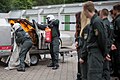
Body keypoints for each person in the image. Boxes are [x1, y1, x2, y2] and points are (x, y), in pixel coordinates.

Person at [83, 1, 110, 80]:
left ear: (87, 10)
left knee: (94, 76)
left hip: (96, 54)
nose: (84, 14)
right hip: (93, 53)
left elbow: (102, 38)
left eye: (84, 11)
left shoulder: (96, 21)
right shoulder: (94, 21)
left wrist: (105, 53)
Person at [100, 8, 113, 80]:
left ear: (102, 13)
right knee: (107, 64)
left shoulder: (104, 24)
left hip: (105, 47)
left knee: (104, 65)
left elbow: (104, 37)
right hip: (109, 45)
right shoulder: (110, 23)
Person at [79, 11, 90, 80]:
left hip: (86, 56)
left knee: (85, 75)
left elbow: (86, 43)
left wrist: (82, 56)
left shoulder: (86, 28)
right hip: (88, 55)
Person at [112, 4, 120, 79]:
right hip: (117, 41)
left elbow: (117, 31)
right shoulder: (116, 19)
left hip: (118, 42)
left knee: (118, 58)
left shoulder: (118, 20)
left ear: (116, 10)